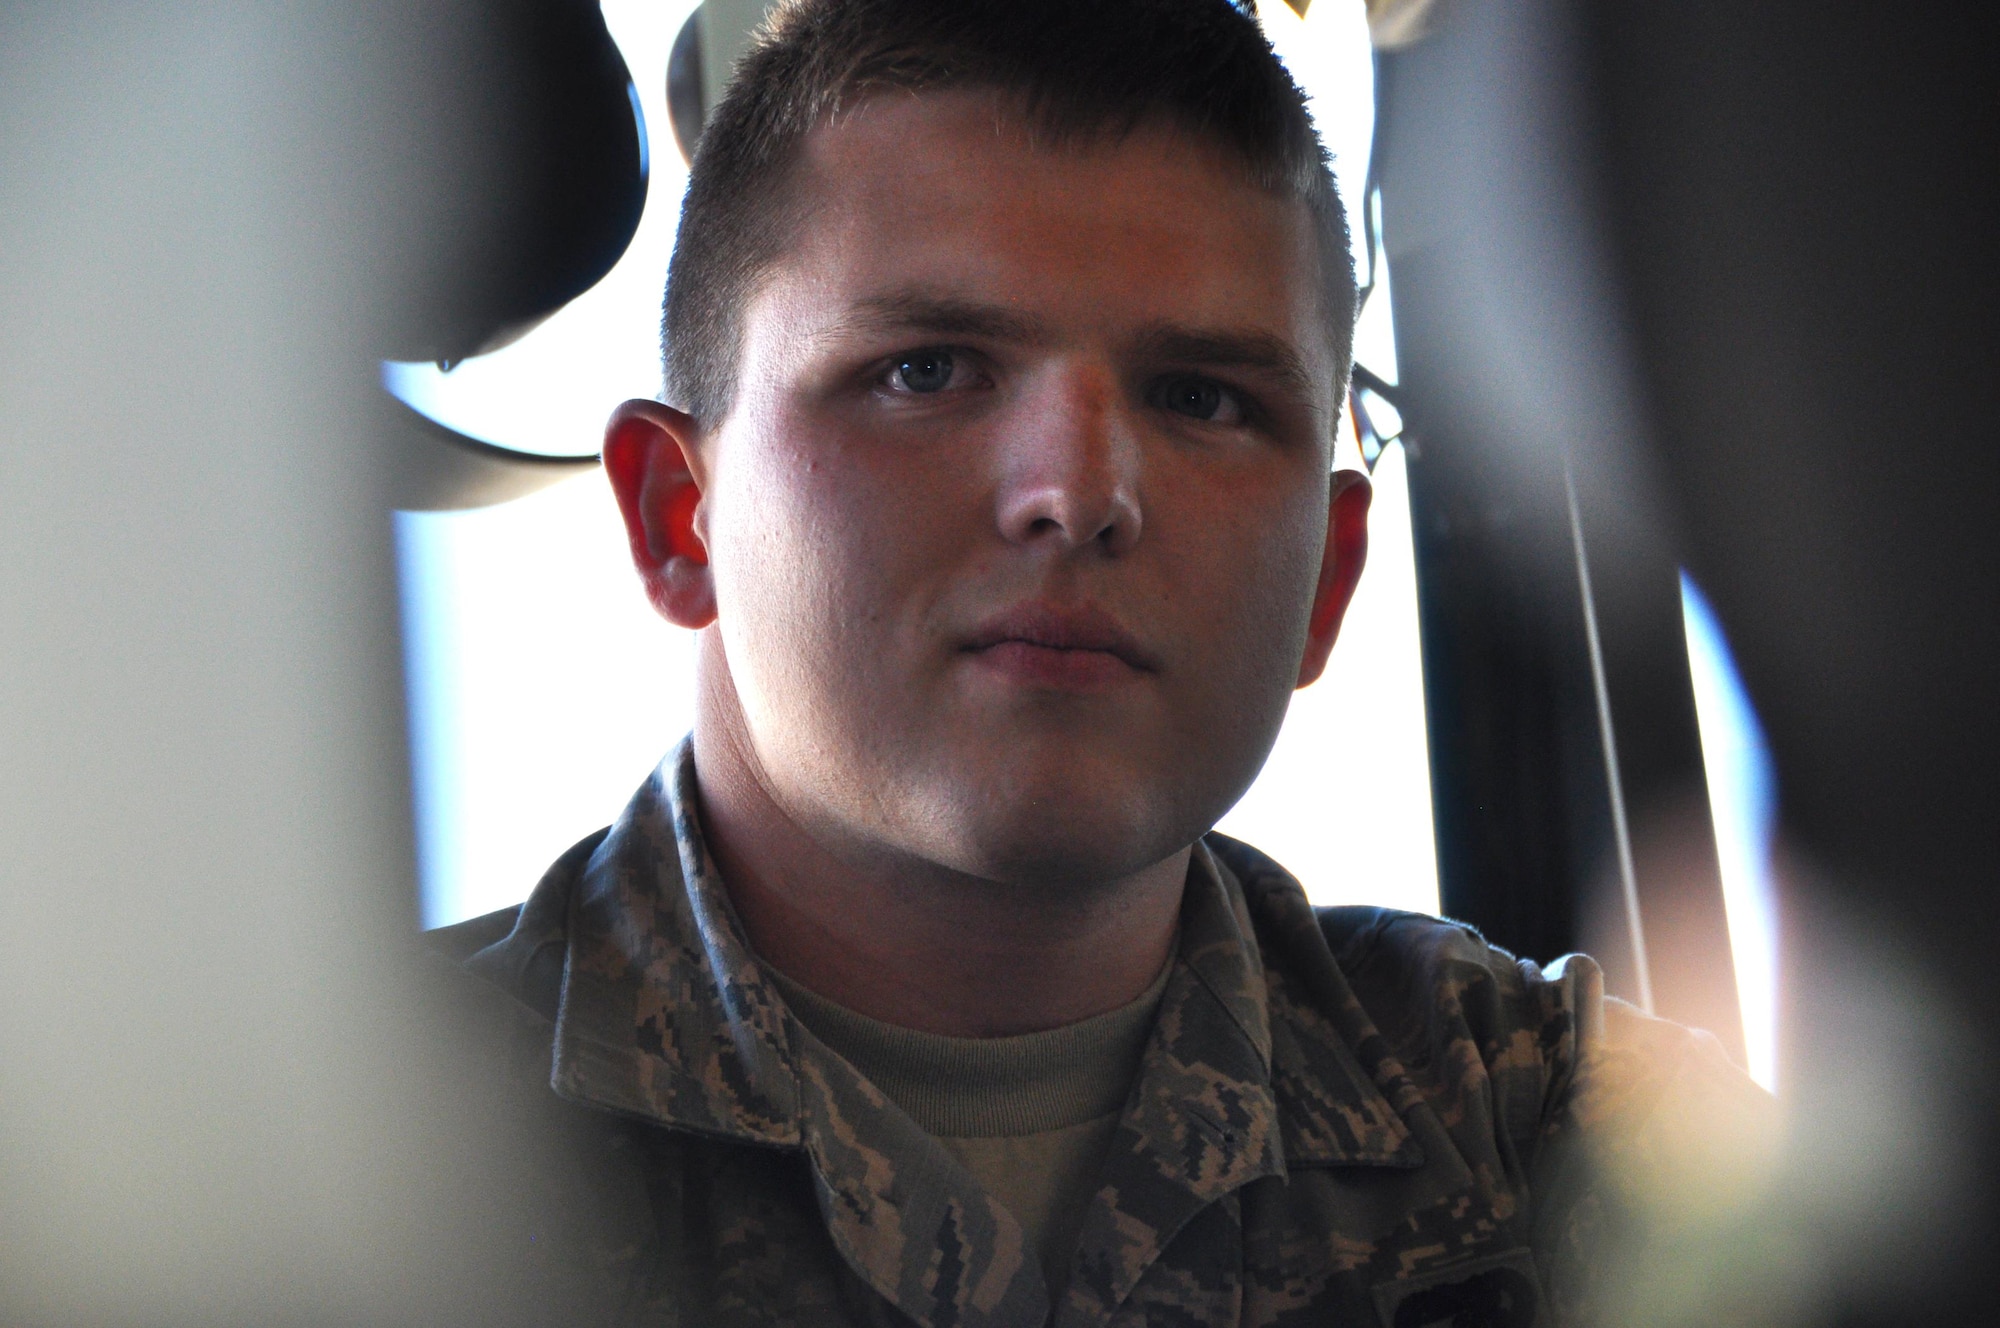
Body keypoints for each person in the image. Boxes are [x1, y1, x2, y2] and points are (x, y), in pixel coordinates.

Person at [425, 0, 1775, 1323]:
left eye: (1202, 398)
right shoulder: (346, 1150)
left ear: (1329, 578)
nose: (1076, 492)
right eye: (929, 370)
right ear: (679, 517)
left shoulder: (1562, 1133)